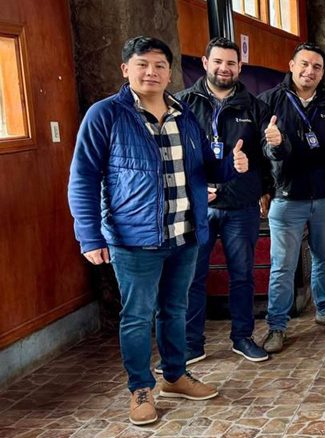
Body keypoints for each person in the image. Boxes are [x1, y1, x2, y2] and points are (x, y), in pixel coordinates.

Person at [68, 36, 248, 425]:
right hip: (134, 239)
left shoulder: (184, 114)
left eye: (160, 66)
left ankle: (175, 376)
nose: (151, 72)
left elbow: (205, 168)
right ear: (126, 70)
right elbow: (83, 178)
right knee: (137, 315)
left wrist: (231, 166)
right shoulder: (105, 115)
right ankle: (140, 388)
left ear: (170, 73)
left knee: (175, 309)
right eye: (142, 64)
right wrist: (90, 235)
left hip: (184, 233)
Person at [174, 37, 275, 366]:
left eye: (231, 63)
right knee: (193, 276)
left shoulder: (256, 107)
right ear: (205, 63)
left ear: (239, 67)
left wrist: (273, 156)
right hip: (197, 207)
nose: (224, 68)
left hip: (240, 206)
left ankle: (242, 337)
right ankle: (192, 344)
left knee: (242, 275)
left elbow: (268, 156)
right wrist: (194, 187)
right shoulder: (182, 104)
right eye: (218, 61)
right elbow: (174, 155)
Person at [259, 43, 325, 353]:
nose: (309, 71)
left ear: (322, 72)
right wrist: (274, 145)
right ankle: (277, 326)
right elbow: (261, 152)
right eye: (304, 64)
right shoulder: (269, 101)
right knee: (283, 266)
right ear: (291, 65)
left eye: (316, 67)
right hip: (286, 198)